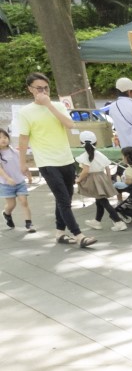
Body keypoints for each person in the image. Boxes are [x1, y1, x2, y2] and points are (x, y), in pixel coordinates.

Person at [14, 72, 89, 246]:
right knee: (63, 199)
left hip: (66, 159)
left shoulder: (58, 106)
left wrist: (49, 105)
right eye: (39, 88)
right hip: (46, 162)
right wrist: (22, 163)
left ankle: (60, 232)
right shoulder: (25, 112)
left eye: (46, 88)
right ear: (30, 89)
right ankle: (79, 235)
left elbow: (70, 125)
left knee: (65, 198)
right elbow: (23, 139)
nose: (43, 91)